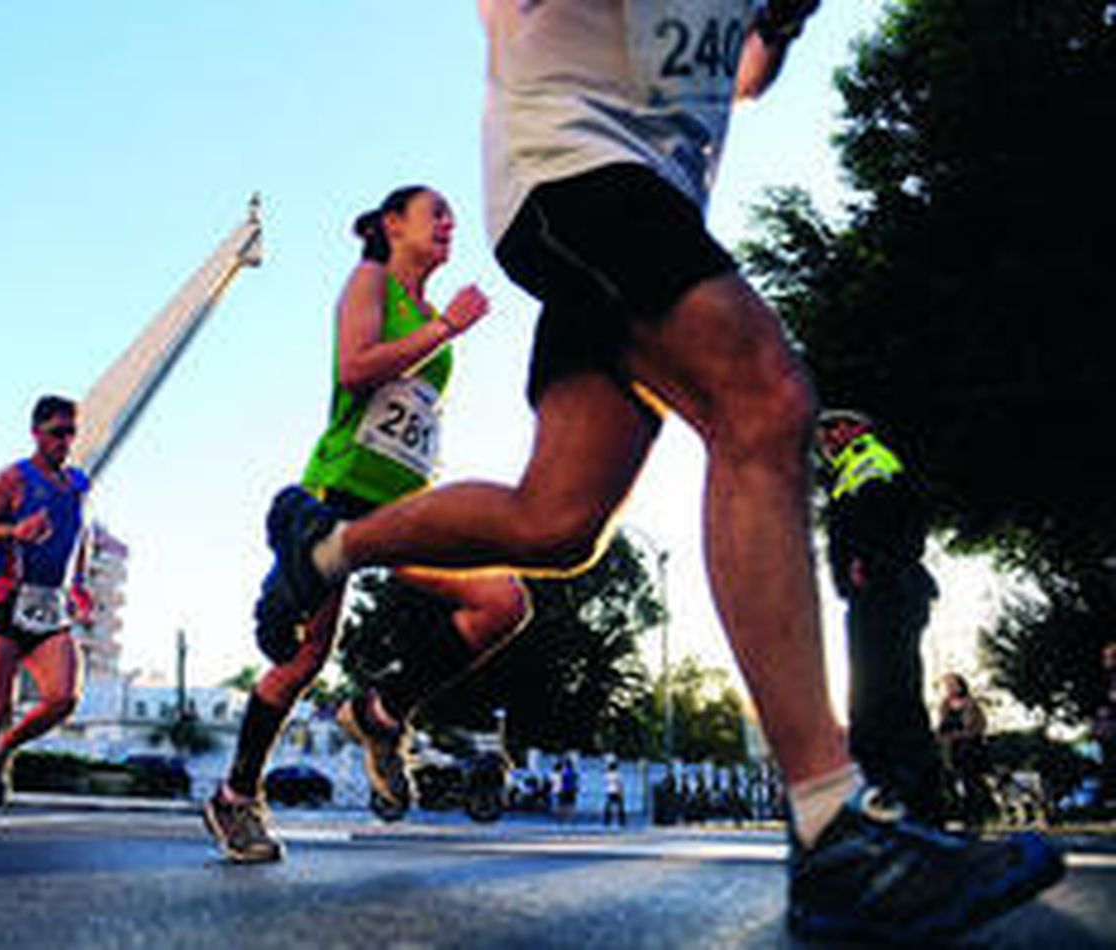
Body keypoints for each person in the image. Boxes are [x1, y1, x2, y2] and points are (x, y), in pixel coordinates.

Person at [250, 1, 1062, 939]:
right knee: (764, 401)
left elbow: (736, 76)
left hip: (634, 204)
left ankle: (324, 545)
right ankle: (833, 827)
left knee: (559, 521)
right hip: (578, 171)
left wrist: (780, 27)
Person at [205, 187, 530, 864]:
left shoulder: (429, 313)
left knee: (501, 601)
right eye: (435, 212)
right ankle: (235, 797)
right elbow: (355, 371)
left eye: (453, 216)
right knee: (302, 661)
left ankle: (380, 712)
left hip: (406, 506)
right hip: (340, 496)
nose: (449, 223)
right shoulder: (371, 280)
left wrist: (440, 329)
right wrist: (445, 330)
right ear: (392, 224)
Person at [0, 395, 95, 833]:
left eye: (71, 433)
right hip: (5, 601)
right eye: (57, 432)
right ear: (36, 433)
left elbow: (81, 533)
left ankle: (3, 749)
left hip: (51, 604)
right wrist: (14, 530)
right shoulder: (15, 478)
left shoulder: (78, 483)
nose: (65, 441)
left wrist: (80, 582)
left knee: (63, 698)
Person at [816, 409, 945, 823]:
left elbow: (892, 521)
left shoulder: (870, 462)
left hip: (885, 591)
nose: (827, 435)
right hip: (879, 592)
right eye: (823, 429)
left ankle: (904, 803)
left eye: (836, 425)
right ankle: (896, 802)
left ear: (860, 428)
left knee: (884, 698)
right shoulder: (850, 469)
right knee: (881, 696)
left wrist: (870, 564)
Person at [936, 672, 993, 830]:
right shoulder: (945, 705)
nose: (950, 688)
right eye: (947, 685)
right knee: (947, 779)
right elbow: (941, 727)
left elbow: (978, 727)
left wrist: (960, 735)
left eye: (953, 684)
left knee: (971, 780)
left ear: (961, 685)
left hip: (968, 748)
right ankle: (955, 811)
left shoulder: (971, 704)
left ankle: (977, 814)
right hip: (949, 748)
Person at [1094, 642, 1116, 811]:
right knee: (1109, 763)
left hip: (1110, 728)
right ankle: (1110, 798)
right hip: (1108, 730)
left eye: (1109, 657)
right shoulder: (1107, 678)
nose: (1105, 661)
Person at [602, 757, 627, 828]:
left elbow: (605, 783)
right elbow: (621, 784)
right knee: (620, 807)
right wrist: (622, 793)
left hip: (609, 791)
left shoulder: (607, 775)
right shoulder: (618, 774)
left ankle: (607, 821)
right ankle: (622, 822)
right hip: (617, 791)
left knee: (608, 807)